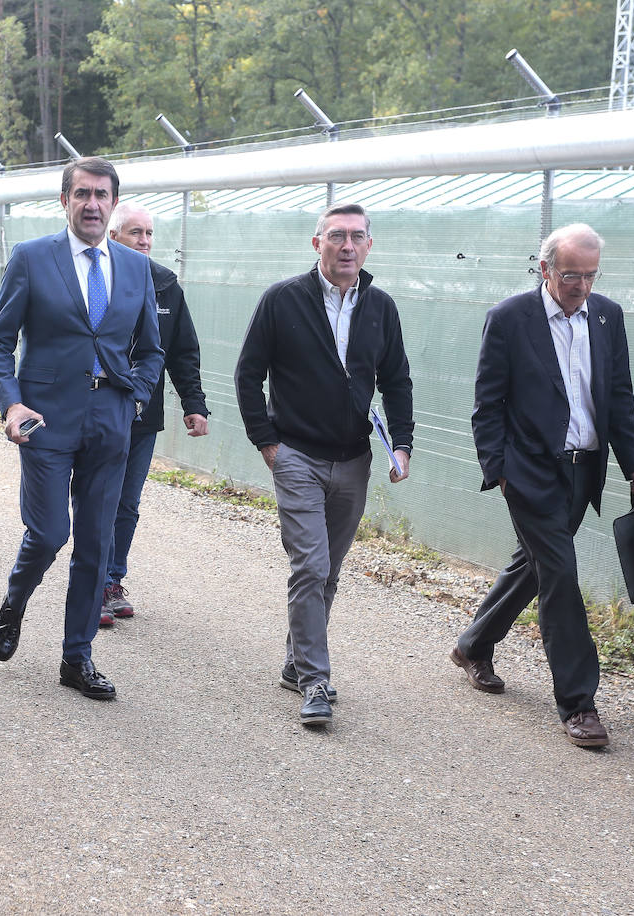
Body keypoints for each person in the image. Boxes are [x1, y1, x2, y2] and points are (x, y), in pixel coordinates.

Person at [451, 223, 634, 749]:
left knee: (536, 564)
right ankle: (579, 703)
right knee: (560, 573)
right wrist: (496, 468)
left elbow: (619, 395)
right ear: (545, 270)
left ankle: (473, 644)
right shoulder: (510, 319)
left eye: (590, 275)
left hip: (584, 468)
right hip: (529, 470)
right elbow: (487, 401)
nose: (582, 286)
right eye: (571, 276)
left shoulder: (608, 316)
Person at [0, 156, 164, 701]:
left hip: (110, 423)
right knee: (50, 534)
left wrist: (134, 397)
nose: (91, 204)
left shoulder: (135, 268)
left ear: (112, 204)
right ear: (65, 201)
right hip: (45, 420)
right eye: (81, 194)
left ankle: (76, 657)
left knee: (95, 542)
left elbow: (152, 350)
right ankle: (15, 601)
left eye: (101, 195)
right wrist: (12, 406)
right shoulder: (33, 259)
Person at [234, 203, 413, 728]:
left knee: (327, 570)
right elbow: (248, 375)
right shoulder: (282, 300)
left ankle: (295, 661)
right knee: (310, 565)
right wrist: (268, 444)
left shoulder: (380, 308)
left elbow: (397, 381)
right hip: (296, 457)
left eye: (358, 237)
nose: (347, 246)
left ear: (369, 247)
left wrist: (400, 445)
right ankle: (316, 680)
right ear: (318, 244)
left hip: (353, 459)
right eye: (337, 236)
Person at [98, 203, 209, 625]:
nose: (144, 241)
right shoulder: (95, 282)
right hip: (96, 410)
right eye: (134, 233)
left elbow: (182, 352)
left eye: (149, 234)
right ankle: (92, 581)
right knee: (98, 497)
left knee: (127, 502)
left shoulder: (166, 286)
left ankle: (111, 579)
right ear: (112, 237)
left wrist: (194, 405)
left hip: (143, 413)